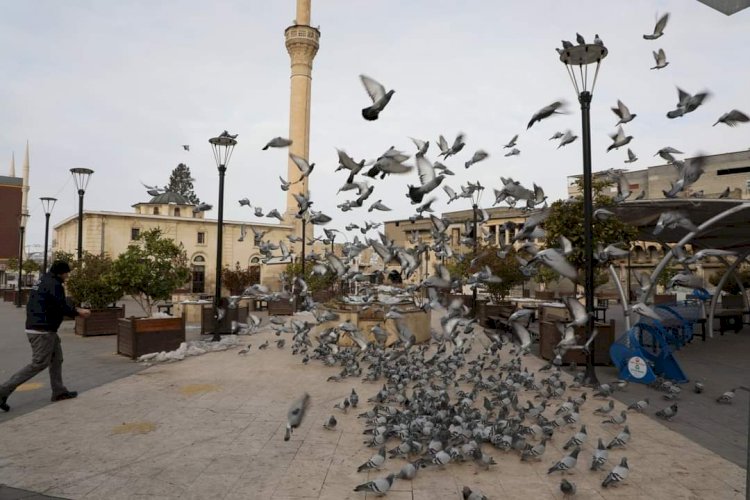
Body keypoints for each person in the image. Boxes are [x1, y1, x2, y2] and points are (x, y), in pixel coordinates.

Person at [0, 260, 91, 412]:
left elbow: (52, 303)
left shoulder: (43, 280)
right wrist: (79, 312)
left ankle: (59, 391)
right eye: (66, 273)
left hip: (43, 328)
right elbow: (61, 306)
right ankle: (3, 390)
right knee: (39, 363)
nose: (67, 276)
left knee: (57, 359)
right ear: (61, 273)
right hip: (42, 331)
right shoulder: (55, 285)